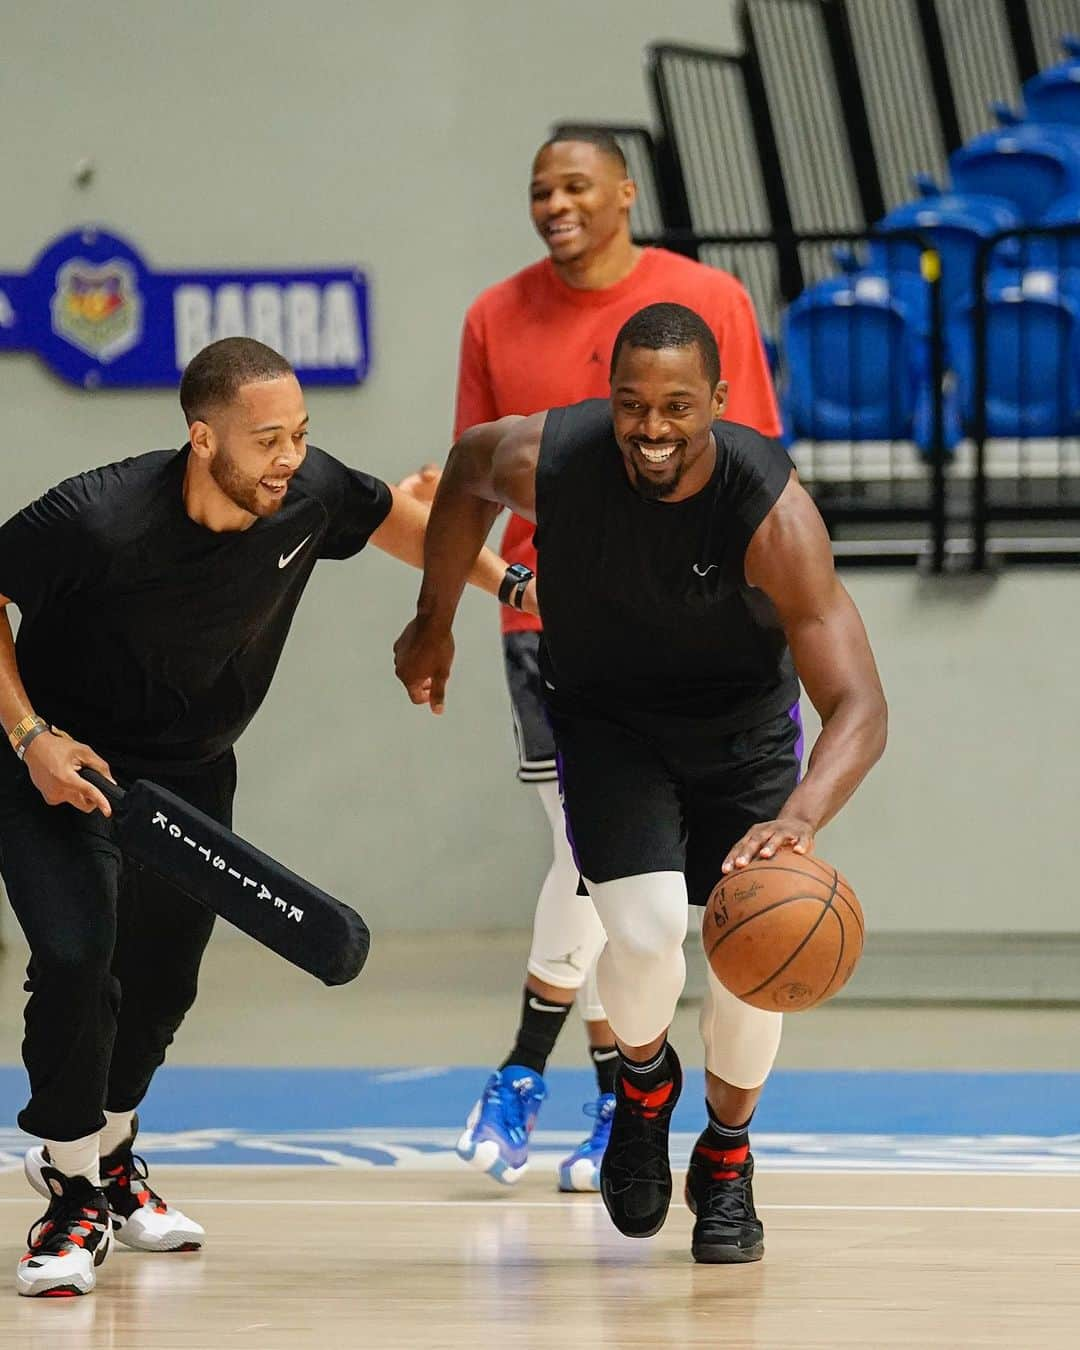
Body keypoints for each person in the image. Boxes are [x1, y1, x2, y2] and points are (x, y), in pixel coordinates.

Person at [0, 336, 530, 1298]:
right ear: (203, 440)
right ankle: (69, 1189)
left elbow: (392, 520)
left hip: (191, 771)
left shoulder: (308, 494)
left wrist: (513, 588)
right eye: (267, 439)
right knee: (79, 956)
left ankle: (112, 1159)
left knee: (161, 985)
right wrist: (30, 731)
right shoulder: (99, 517)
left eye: (300, 434)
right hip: (60, 762)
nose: (289, 457)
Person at [394, 302, 887, 1263]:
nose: (652, 429)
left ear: (719, 401)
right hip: (610, 725)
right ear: (607, 400)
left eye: (676, 407)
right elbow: (463, 472)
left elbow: (860, 706)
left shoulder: (771, 512)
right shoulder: (552, 457)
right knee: (648, 928)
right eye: (632, 404)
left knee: (755, 962)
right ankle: (645, 1085)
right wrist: (435, 618)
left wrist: (798, 818)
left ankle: (730, 1160)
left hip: (743, 737)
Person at [446, 126, 781, 1192]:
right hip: (554, 640)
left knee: (623, 896)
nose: (554, 203)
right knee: (593, 873)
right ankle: (615, 1095)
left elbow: (756, 469)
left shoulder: (707, 299)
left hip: (698, 638)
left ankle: (545, 1074)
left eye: (575, 185)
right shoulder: (494, 315)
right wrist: (496, 593)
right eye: (537, 188)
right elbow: (466, 479)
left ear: (627, 192)